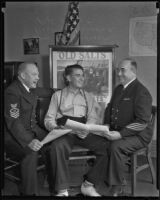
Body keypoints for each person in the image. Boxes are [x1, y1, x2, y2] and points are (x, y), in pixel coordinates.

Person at [44, 64, 108, 196]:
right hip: (64, 131)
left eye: (83, 75)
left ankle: (88, 185)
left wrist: (87, 128)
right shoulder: (58, 95)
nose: (82, 78)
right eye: (78, 75)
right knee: (57, 147)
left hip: (83, 132)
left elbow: (92, 117)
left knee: (107, 147)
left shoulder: (88, 96)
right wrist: (55, 127)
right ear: (68, 78)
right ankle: (62, 190)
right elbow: (48, 119)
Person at [102, 58, 152, 196]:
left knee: (115, 146)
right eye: (118, 70)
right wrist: (106, 125)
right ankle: (103, 176)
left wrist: (120, 134)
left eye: (122, 70)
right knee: (99, 141)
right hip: (120, 131)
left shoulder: (141, 91)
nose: (119, 73)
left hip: (139, 136)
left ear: (133, 71)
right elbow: (109, 108)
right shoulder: (119, 88)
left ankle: (117, 186)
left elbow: (142, 122)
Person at [4, 62, 47, 195]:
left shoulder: (29, 87)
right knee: (31, 152)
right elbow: (13, 122)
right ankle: (30, 193)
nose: (38, 77)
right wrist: (29, 141)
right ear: (22, 75)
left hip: (32, 130)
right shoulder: (12, 92)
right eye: (34, 74)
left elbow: (46, 90)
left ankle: (51, 180)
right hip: (14, 135)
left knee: (56, 140)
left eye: (38, 74)